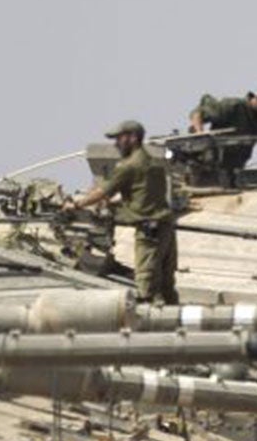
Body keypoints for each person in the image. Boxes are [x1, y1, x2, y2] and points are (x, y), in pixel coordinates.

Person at [63, 119, 178, 303]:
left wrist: (76, 205)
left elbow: (102, 192)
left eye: (119, 139)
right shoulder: (152, 163)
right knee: (166, 285)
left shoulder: (129, 166)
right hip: (165, 228)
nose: (116, 144)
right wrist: (118, 201)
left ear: (133, 138)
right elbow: (142, 193)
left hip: (149, 231)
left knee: (146, 282)